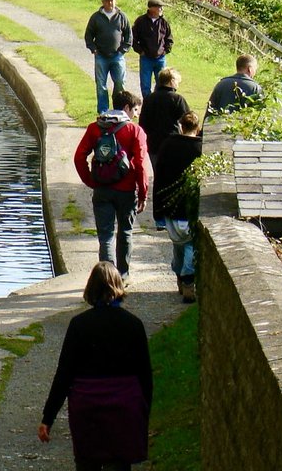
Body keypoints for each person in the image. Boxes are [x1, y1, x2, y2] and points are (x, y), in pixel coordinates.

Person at [39, 262, 153, 471]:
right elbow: (145, 378)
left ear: (90, 290)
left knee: (87, 469)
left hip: (87, 408)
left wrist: (47, 418)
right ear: (118, 288)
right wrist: (144, 417)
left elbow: (63, 375)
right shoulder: (134, 325)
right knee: (116, 470)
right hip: (124, 408)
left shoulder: (79, 326)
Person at [74, 89, 148, 281]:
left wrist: (90, 180)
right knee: (125, 232)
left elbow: (79, 157)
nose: (136, 114)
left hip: (102, 189)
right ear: (126, 108)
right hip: (126, 190)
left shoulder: (94, 128)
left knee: (105, 236)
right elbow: (140, 164)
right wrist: (143, 194)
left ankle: (107, 279)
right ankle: (122, 276)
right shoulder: (135, 131)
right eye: (136, 110)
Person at [154, 111, 203, 303]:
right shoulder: (200, 149)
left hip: (171, 205)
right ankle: (187, 279)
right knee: (190, 243)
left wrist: (157, 209)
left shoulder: (167, 145)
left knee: (178, 244)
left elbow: (159, 177)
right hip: (190, 205)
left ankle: (180, 275)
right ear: (197, 128)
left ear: (181, 126)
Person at [136, 67, 189, 230]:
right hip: (173, 145)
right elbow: (188, 122)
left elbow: (143, 124)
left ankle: (159, 219)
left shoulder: (150, 99)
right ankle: (174, 215)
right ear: (172, 81)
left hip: (154, 145)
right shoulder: (178, 99)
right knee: (174, 179)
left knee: (159, 179)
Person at [84, 0, 132, 115]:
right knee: (101, 85)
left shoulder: (122, 16)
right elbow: (88, 35)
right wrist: (93, 49)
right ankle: (103, 111)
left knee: (120, 82)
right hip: (101, 56)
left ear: (115, 1)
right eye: (107, 0)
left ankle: (119, 109)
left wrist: (123, 50)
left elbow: (128, 35)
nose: (109, 3)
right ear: (103, 2)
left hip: (117, 56)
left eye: (111, 0)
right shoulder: (96, 17)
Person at [131, 0, 173, 98]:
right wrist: (140, 51)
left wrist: (165, 51)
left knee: (162, 84)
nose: (161, 9)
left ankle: (158, 104)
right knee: (145, 85)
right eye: (159, 7)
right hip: (146, 58)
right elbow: (133, 38)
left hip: (160, 59)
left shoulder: (164, 22)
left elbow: (169, 38)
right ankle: (147, 104)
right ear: (151, 8)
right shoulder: (140, 21)